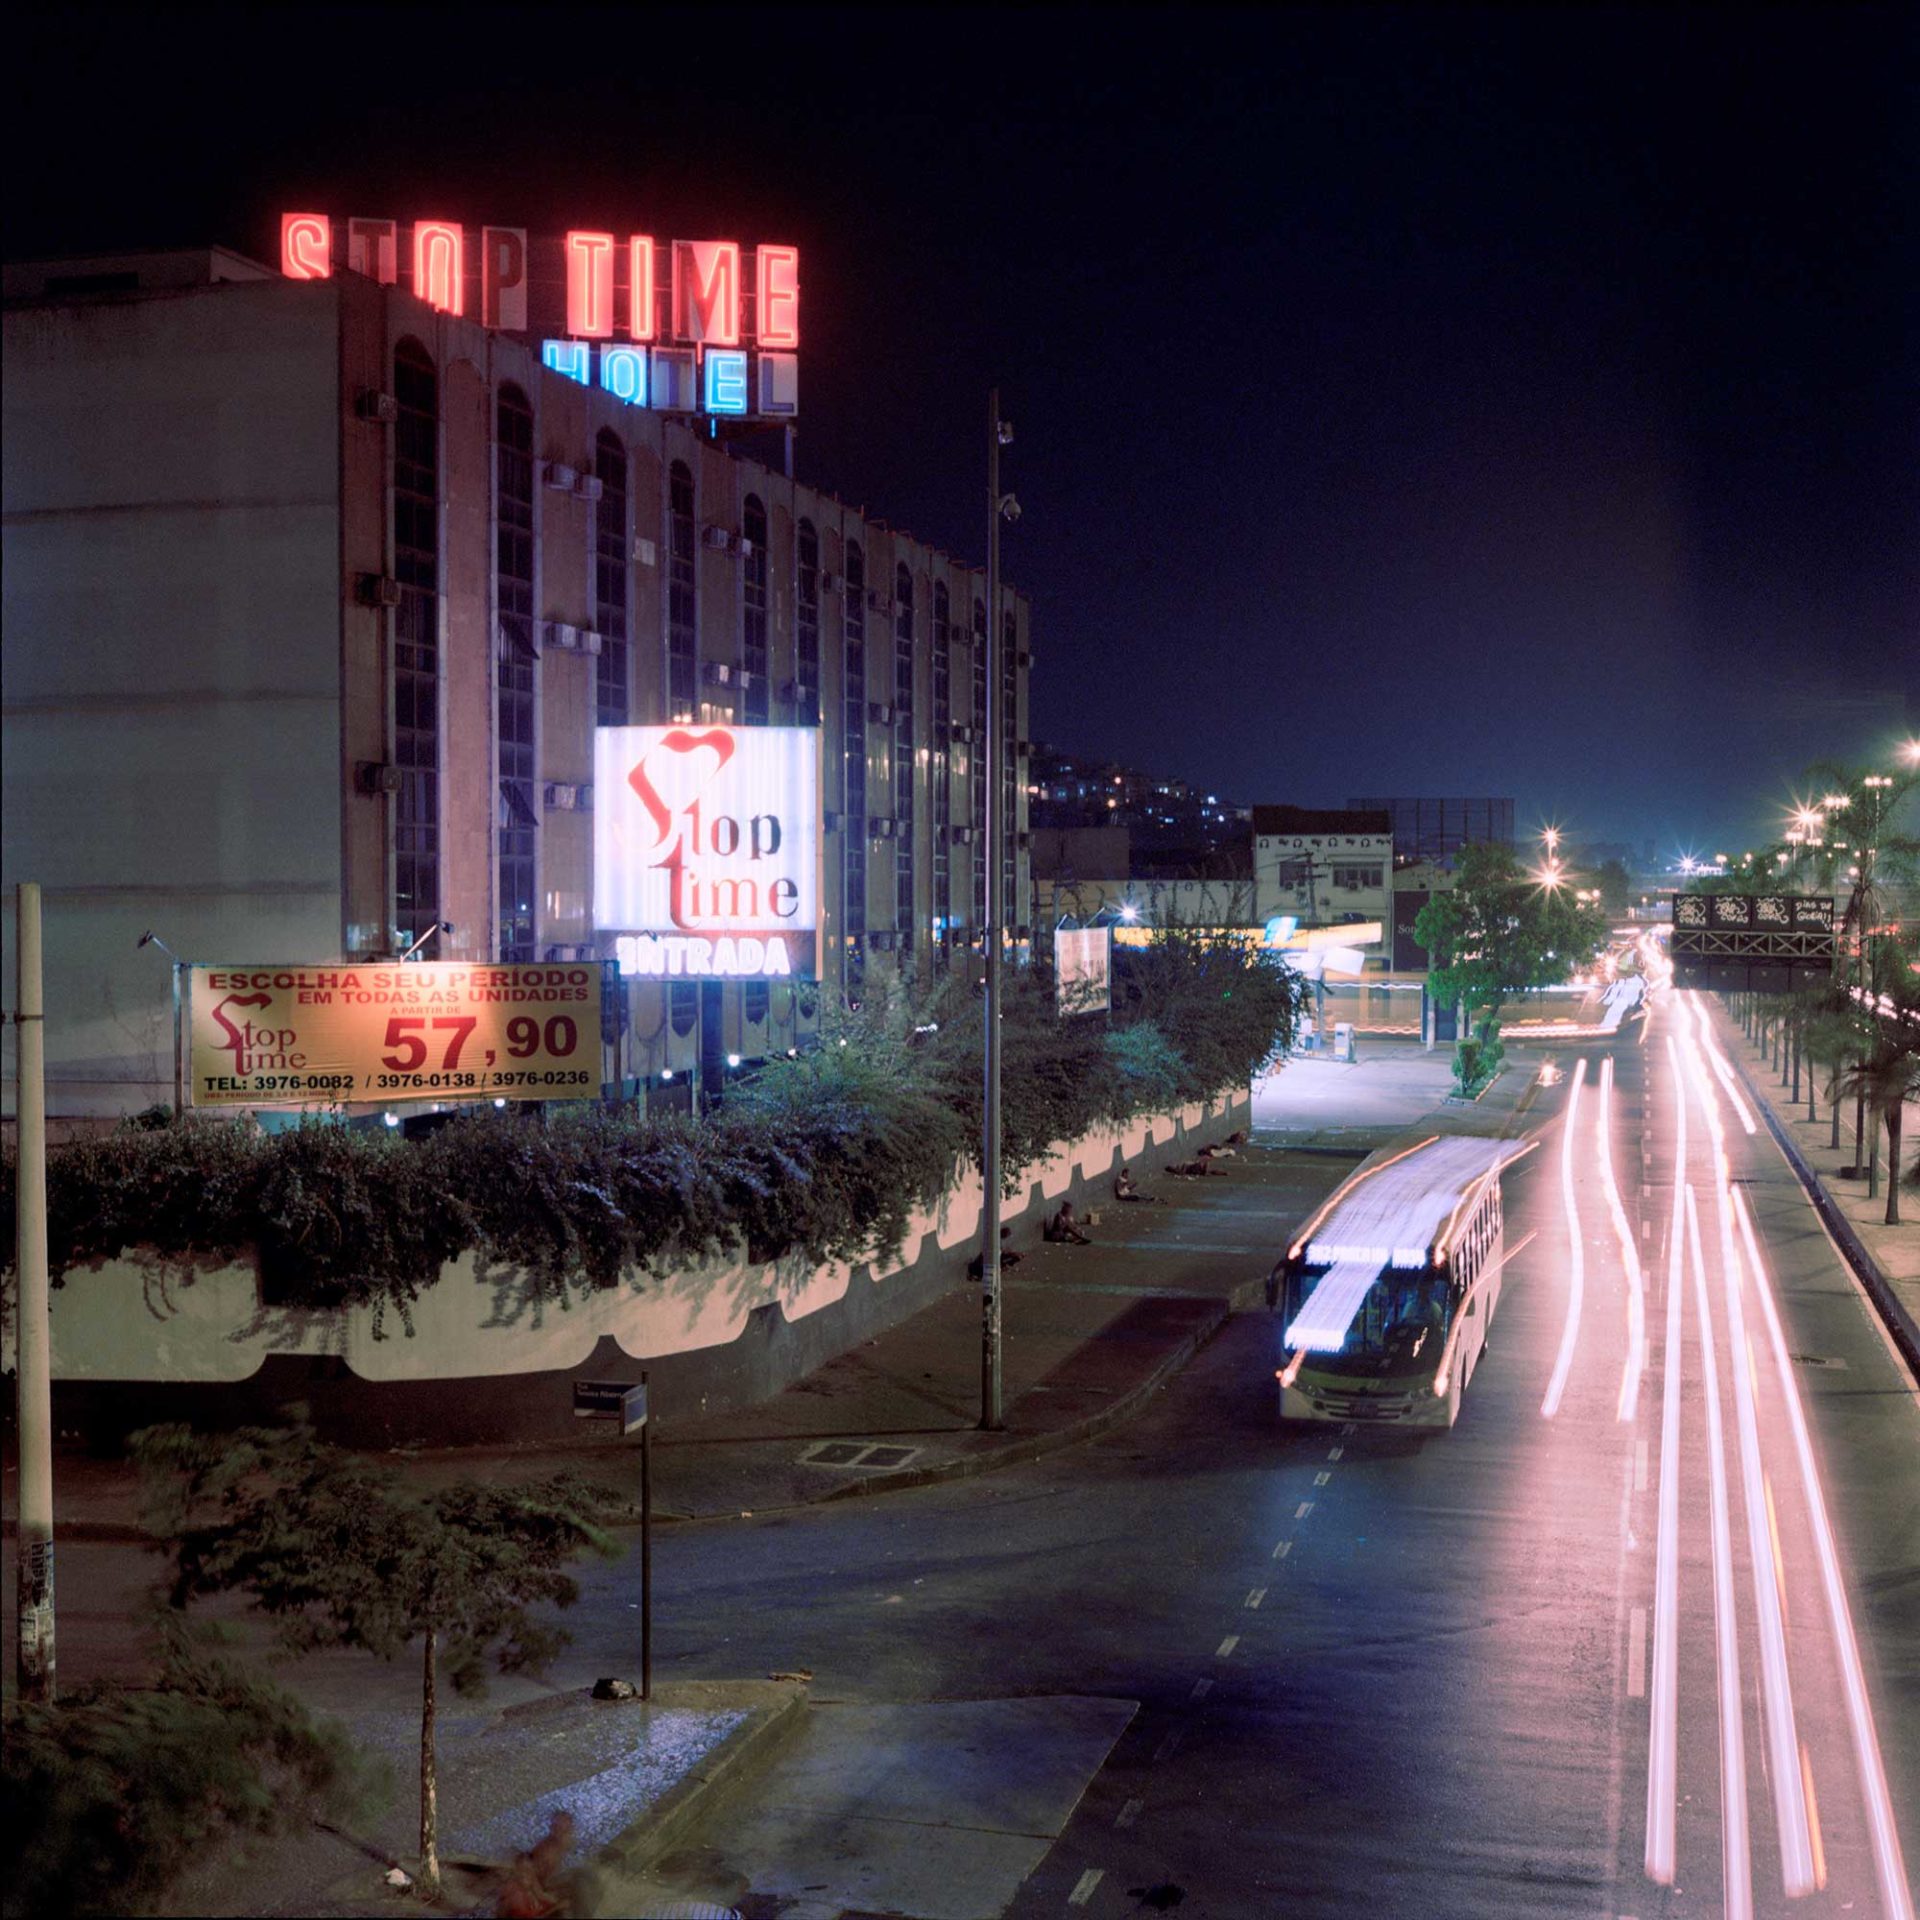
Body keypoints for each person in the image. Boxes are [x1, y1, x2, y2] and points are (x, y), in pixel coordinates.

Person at [497, 1811, 575, 1918]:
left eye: (563, 1827)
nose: (554, 1827)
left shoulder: (555, 1846)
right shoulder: (548, 1848)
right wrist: (557, 1904)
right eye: (555, 1825)